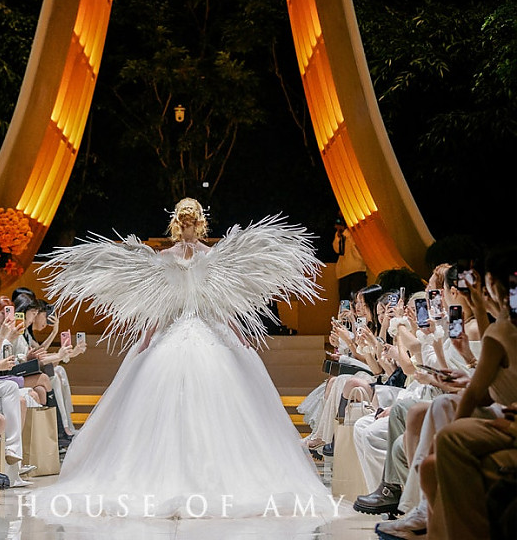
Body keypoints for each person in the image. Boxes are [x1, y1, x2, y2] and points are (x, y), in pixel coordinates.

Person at [35, 199, 341, 521]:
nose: (187, 228)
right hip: (183, 331)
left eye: (189, 223)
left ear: (194, 224)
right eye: (185, 223)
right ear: (183, 224)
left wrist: (236, 336)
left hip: (198, 330)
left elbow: (215, 305)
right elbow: (166, 305)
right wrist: (148, 339)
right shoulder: (182, 257)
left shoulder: (198, 256)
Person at [332, 213, 367, 302]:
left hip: (357, 269)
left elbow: (358, 249)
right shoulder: (341, 234)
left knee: (358, 299)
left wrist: (347, 233)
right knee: (344, 301)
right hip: (343, 272)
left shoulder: (357, 231)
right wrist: (339, 236)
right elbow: (337, 250)